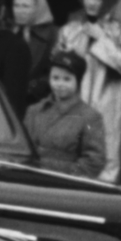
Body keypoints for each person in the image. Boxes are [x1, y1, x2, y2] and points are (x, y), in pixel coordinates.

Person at [55, 0, 121, 183]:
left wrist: (102, 39)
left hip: (107, 107)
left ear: (109, 0)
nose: (92, 2)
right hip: (74, 106)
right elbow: (57, 67)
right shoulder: (70, 30)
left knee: (106, 157)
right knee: (71, 155)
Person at [22, 50, 106, 179]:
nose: (60, 84)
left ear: (78, 82)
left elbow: (94, 160)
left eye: (67, 79)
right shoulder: (34, 111)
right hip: (31, 181)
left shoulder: (89, 117)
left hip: (66, 187)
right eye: (55, 78)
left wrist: (67, 176)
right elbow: (22, 147)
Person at [10, 0, 58, 104]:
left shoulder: (53, 34)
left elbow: (57, 71)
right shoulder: (9, 32)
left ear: (37, 8)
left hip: (40, 103)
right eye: (16, 6)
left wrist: (35, 87)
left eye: (25, 6)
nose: (19, 11)